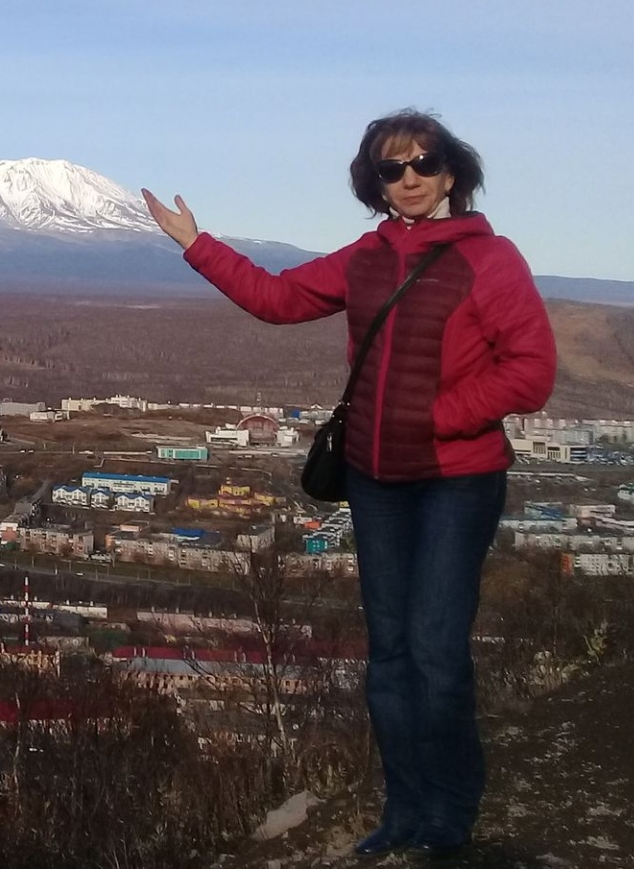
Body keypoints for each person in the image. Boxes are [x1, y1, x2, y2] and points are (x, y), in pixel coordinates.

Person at [141, 109, 556, 859]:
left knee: (436, 650)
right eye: (392, 168)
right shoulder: (366, 258)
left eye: (424, 163)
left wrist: (437, 416)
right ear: (375, 182)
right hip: (374, 478)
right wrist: (196, 244)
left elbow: (530, 371)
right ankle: (404, 807)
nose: (410, 178)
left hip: (457, 480)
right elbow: (277, 299)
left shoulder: (490, 260)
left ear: (451, 173)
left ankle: (450, 811)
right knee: (389, 653)